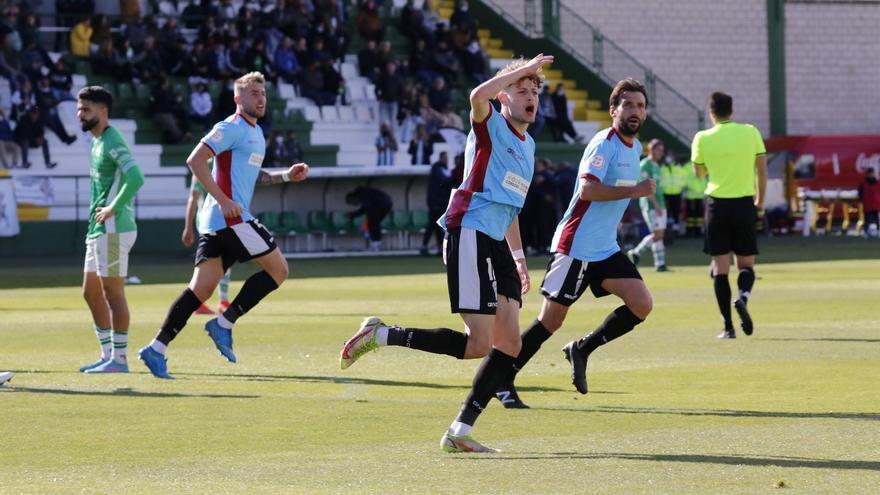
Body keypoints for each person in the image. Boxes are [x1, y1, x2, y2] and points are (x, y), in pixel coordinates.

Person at [339, 54, 554, 453]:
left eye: (534, 91)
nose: (530, 97)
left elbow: (511, 207)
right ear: (503, 96)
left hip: (496, 242)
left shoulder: (529, 144)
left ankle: (460, 432)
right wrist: (515, 71)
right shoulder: (490, 124)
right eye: (521, 90)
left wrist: (520, 258)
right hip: (470, 231)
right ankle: (381, 335)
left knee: (509, 345)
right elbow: (476, 95)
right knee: (478, 344)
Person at [493, 78, 655, 408]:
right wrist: (635, 191)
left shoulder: (635, 148)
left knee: (641, 304)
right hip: (576, 245)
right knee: (550, 321)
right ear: (613, 111)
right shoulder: (602, 144)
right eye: (628, 105)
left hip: (605, 247)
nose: (635, 111)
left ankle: (581, 348)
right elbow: (588, 191)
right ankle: (501, 377)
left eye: (640, 106)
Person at [138, 72, 310, 379]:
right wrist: (223, 199)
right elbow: (195, 160)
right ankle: (224, 323)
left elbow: (253, 175)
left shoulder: (255, 133)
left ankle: (156, 348)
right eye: (253, 93)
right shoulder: (230, 127)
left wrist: (286, 175)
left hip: (217, 222)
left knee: (199, 290)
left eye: (263, 93)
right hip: (231, 219)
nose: (260, 98)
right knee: (279, 270)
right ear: (237, 99)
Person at [76, 86, 145, 373]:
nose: (80, 115)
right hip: (99, 231)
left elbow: (136, 177)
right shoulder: (96, 142)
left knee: (113, 294)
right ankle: (107, 355)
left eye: (86, 109)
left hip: (115, 229)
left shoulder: (112, 140)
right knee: (90, 293)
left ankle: (120, 360)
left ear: (103, 112)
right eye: (79, 109)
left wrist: (112, 208)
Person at [692, 92, 767, 339]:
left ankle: (728, 326)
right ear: (732, 111)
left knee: (720, 269)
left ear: (710, 112)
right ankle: (743, 297)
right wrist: (760, 201)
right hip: (745, 204)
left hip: (716, 205)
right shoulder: (751, 132)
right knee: (746, 265)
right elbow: (762, 172)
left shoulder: (702, 137)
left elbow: (699, 173)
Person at [183, 172, 232, 315]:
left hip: (217, 220)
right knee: (211, 262)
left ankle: (221, 301)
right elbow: (193, 199)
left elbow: (193, 199)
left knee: (220, 260)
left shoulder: (205, 164)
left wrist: (188, 227)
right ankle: (202, 302)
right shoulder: (207, 164)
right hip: (211, 221)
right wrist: (187, 227)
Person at [627, 139, 668, 272]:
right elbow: (645, 188)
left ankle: (660, 264)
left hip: (660, 203)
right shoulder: (645, 165)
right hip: (651, 205)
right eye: (658, 150)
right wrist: (655, 204)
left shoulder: (656, 165)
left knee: (659, 235)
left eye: (662, 150)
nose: (661, 153)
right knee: (657, 234)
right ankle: (635, 252)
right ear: (651, 150)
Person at [421, 151, 453, 255]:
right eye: (444, 158)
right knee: (432, 225)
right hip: (435, 203)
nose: (446, 159)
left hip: (441, 203)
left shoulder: (445, 169)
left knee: (439, 226)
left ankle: (439, 248)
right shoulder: (437, 168)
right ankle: (424, 247)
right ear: (441, 158)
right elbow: (443, 181)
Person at [345, 186, 392, 251]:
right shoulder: (364, 193)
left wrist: (353, 215)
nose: (354, 204)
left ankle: (376, 244)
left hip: (380, 204)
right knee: (374, 223)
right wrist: (354, 215)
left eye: (352, 202)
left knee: (372, 223)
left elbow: (366, 208)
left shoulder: (362, 194)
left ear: (352, 197)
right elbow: (366, 207)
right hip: (387, 203)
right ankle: (376, 243)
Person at [857, 167, 879, 237]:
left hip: (876, 204)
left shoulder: (878, 183)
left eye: (872, 173)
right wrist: (861, 200)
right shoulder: (863, 184)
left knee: (877, 219)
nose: (871, 175)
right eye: (870, 173)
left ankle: (878, 231)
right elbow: (860, 193)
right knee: (867, 219)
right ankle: (866, 231)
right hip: (867, 204)